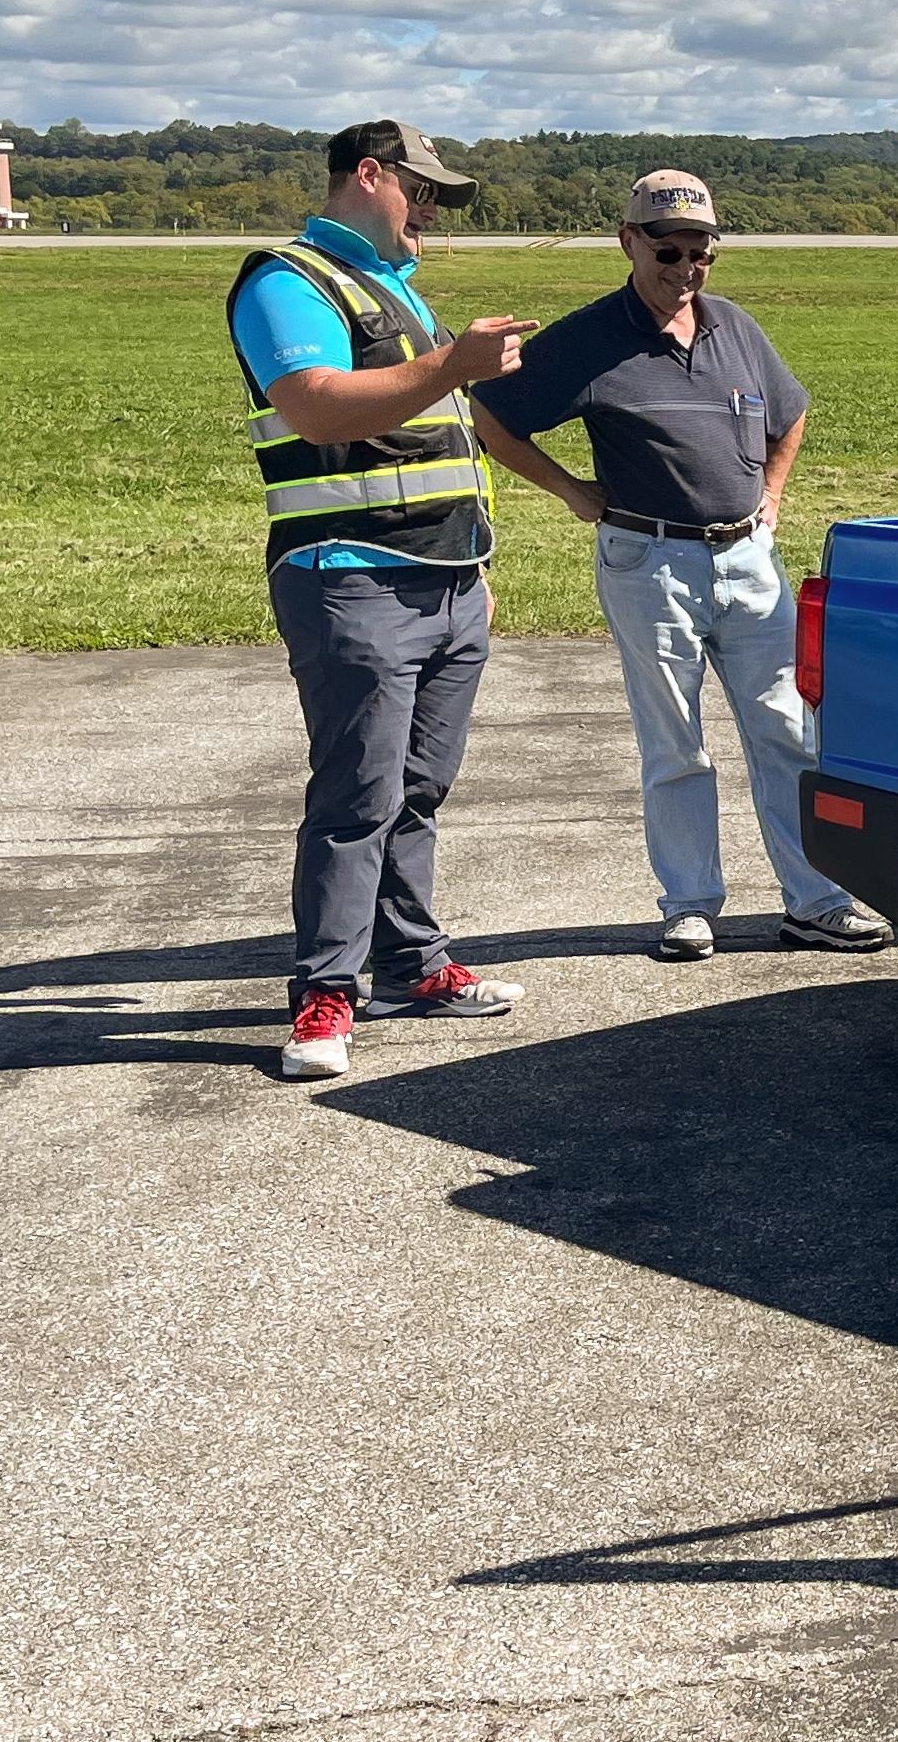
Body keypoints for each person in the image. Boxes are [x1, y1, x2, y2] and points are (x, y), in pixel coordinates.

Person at [472, 170, 892, 963]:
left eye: (702, 252)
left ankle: (817, 901)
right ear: (629, 242)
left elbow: (790, 413)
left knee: (788, 733)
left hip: (745, 557)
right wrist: (569, 490)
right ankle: (690, 905)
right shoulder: (590, 337)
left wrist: (770, 496)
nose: (686, 268)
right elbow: (493, 416)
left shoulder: (734, 327)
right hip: (647, 557)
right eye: (669, 250)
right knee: (675, 742)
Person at [228, 120, 537, 1081]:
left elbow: (441, 443)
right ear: (370, 175)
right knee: (357, 794)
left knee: (418, 789)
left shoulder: (395, 287)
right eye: (424, 190)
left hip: (444, 580)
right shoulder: (288, 280)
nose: (434, 211)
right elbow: (314, 405)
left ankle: (414, 963)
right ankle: (326, 992)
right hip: (350, 578)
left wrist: (473, 571)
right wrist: (451, 366)